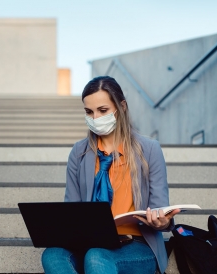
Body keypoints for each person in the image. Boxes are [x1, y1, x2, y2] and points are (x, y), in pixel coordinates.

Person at [41, 76, 180, 274]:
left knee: (97, 256)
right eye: (89, 112)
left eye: (103, 110)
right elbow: (72, 210)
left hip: (137, 246)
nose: (95, 118)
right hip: (90, 244)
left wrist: (162, 221)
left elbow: (160, 207)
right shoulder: (79, 153)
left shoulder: (149, 150)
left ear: (121, 106)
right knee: (52, 255)